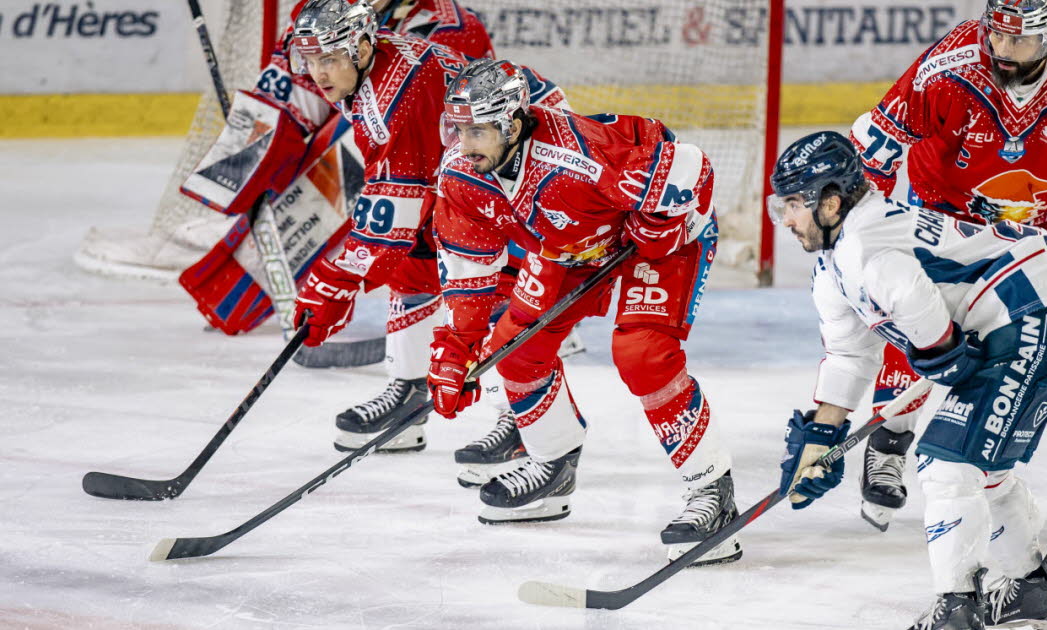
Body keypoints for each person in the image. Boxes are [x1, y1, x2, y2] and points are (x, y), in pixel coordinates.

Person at [848, 0, 1047, 536]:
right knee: (918, 316)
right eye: (996, 36)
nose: (1003, 51)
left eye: (1019, 41)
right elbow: (874, 152)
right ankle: (888, 440)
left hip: (1046, 222)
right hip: (944, 214)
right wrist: (861, 237)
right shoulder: (946, 71)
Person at [426, 58, 741, 565]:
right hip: (570, 246)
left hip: (658, 242)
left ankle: (712, 494)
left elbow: (691, 166)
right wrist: (456, 348)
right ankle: (552, 466)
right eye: (458, 129)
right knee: (514, 349)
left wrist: (660, 226)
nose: (464, 144)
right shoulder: (464, 176)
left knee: (641, 354)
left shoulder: (581, 155)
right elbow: (466, 272)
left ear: (510, 123)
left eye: (477, 130)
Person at [774, 131, 1047, 629]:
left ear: (830, 203)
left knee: (947, 464)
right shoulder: (835, 264)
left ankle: (955, 610)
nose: (785, 220)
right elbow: (850, 352)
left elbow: (911, 292)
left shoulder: (862, 247)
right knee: (978, 465)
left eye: (793, 204)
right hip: (1026, 312)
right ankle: (1029, 587)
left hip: (1030, 311)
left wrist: (940, 352)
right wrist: (822, 435)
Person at [281, 0, 565, 467]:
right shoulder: (369, 72)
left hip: (524, 173)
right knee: (414, 259)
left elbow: (394, 210)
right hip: (464, 169)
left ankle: (517, 417)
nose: (318, 74)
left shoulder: (399, 93)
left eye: (328, 59)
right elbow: (398, 203)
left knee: (494, 287)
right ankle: (409, 391)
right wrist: (345, 276)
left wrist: (336, 280)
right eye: (309, 61)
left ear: (361, 46)